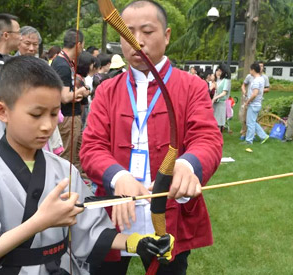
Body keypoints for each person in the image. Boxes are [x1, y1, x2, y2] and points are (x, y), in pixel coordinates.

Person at [0, 56, 174, 275]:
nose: (47, 126)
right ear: (2, 112)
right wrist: (39, 222)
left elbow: (91, 229)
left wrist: (137, 242)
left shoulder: (64, 169)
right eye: (36, 114)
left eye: (53, 114)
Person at [80, 1, 223, 274]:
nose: (137, 41)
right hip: (117, 209)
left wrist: (186, 166)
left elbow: (207, 138)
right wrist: (117, 177)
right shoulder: (108, 90)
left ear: (167, 35)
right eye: (128, 32)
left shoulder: (191, 86)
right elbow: (92, 147)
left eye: (147, 31)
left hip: (169, 210)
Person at [51, 28, 89, 173]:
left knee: (75, 156)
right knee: (66, 157)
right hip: (66, 118)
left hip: (72, 116)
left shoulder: (65, 62)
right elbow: (65, 97)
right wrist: (81, 92)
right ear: (78, 44)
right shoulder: (62, 64)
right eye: (83, 45)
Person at [239, 60, 270, 140]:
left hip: (253, 103)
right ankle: (263, 136)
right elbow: (245, 86)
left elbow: (255, 93)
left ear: (253, 70)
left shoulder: (257, 80)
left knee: (250, 123)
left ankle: (249, 140)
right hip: (255, 103)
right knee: (251, 122)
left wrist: (247, 101)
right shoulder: (258, 78)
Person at [212, 63, 231, 132]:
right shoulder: (217, 80)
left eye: (220, 71)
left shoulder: (227, 80)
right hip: (215, 103)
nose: (218, 72)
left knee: (219, 122)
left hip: (221, 103)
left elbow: (224, 92)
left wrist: (215, 97)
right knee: (214, 122)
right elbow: (217, 90)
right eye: (217, 71)